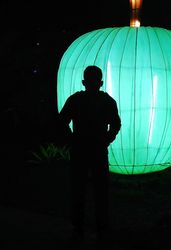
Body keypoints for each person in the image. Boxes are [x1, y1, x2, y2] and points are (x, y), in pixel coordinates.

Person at [58, 65, 121, 244]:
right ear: (101, 83)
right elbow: (116, 124)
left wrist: (72, 139)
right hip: (97, 151)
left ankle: (78, 228)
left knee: (78, 190)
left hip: (80, 150)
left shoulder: (76, 100)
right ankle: (101, 229)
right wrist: (106, 139)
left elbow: (62, 121)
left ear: (83, 82)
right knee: (100, 191)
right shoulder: (107, 101)